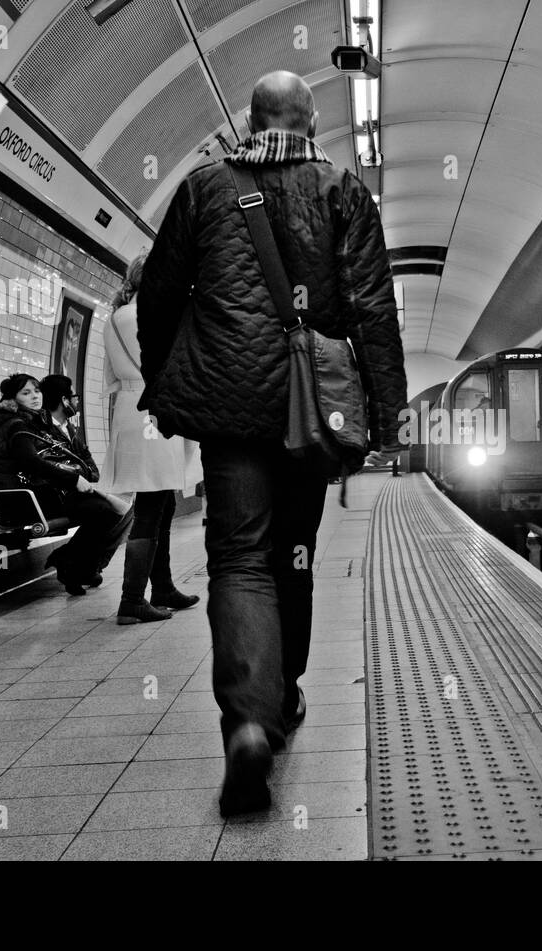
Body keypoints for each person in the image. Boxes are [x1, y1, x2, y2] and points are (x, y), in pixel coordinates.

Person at [137, 70, 406, 815]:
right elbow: (374, 311)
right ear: (313, 123)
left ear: (248, 122)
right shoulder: (343, 191)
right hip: (308, 413)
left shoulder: (203, 189)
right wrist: (384, 423)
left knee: (238, 556)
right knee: (294, 552)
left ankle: (249, 723)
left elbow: (158, 296)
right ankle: (282, 698)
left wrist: (167, 385)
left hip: (228, 409)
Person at [102, 252, 202, 624]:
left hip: (132, 408)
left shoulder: (114, 318)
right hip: (156, 409)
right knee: (151, 506)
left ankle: (162, 588)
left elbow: (110, 378)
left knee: (161, 501)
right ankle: (131, 600)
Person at [0, 373, 126, 596]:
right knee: (103, 512)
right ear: (13, 399)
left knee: (107, 510)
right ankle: (70, 562)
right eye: (26, 393)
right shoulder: (15, 425)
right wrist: (73, 479)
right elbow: (32, 463)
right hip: (24, 501)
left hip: (38, 494)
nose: (34, 396)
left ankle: (71, 562)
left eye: (37, 391)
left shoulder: (29, 421)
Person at [38, 373, 130, 590]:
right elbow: (55, 467)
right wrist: (78, 474)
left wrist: (82, 474)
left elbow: (90, 468)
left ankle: (85, 564)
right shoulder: (44, 430)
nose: (76, 401)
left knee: (128, 510)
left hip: (78, 492)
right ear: (63, 400)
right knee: (106, 512)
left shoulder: (69, 429)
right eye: (73, 396)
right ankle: (75, 564)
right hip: (59, 495)